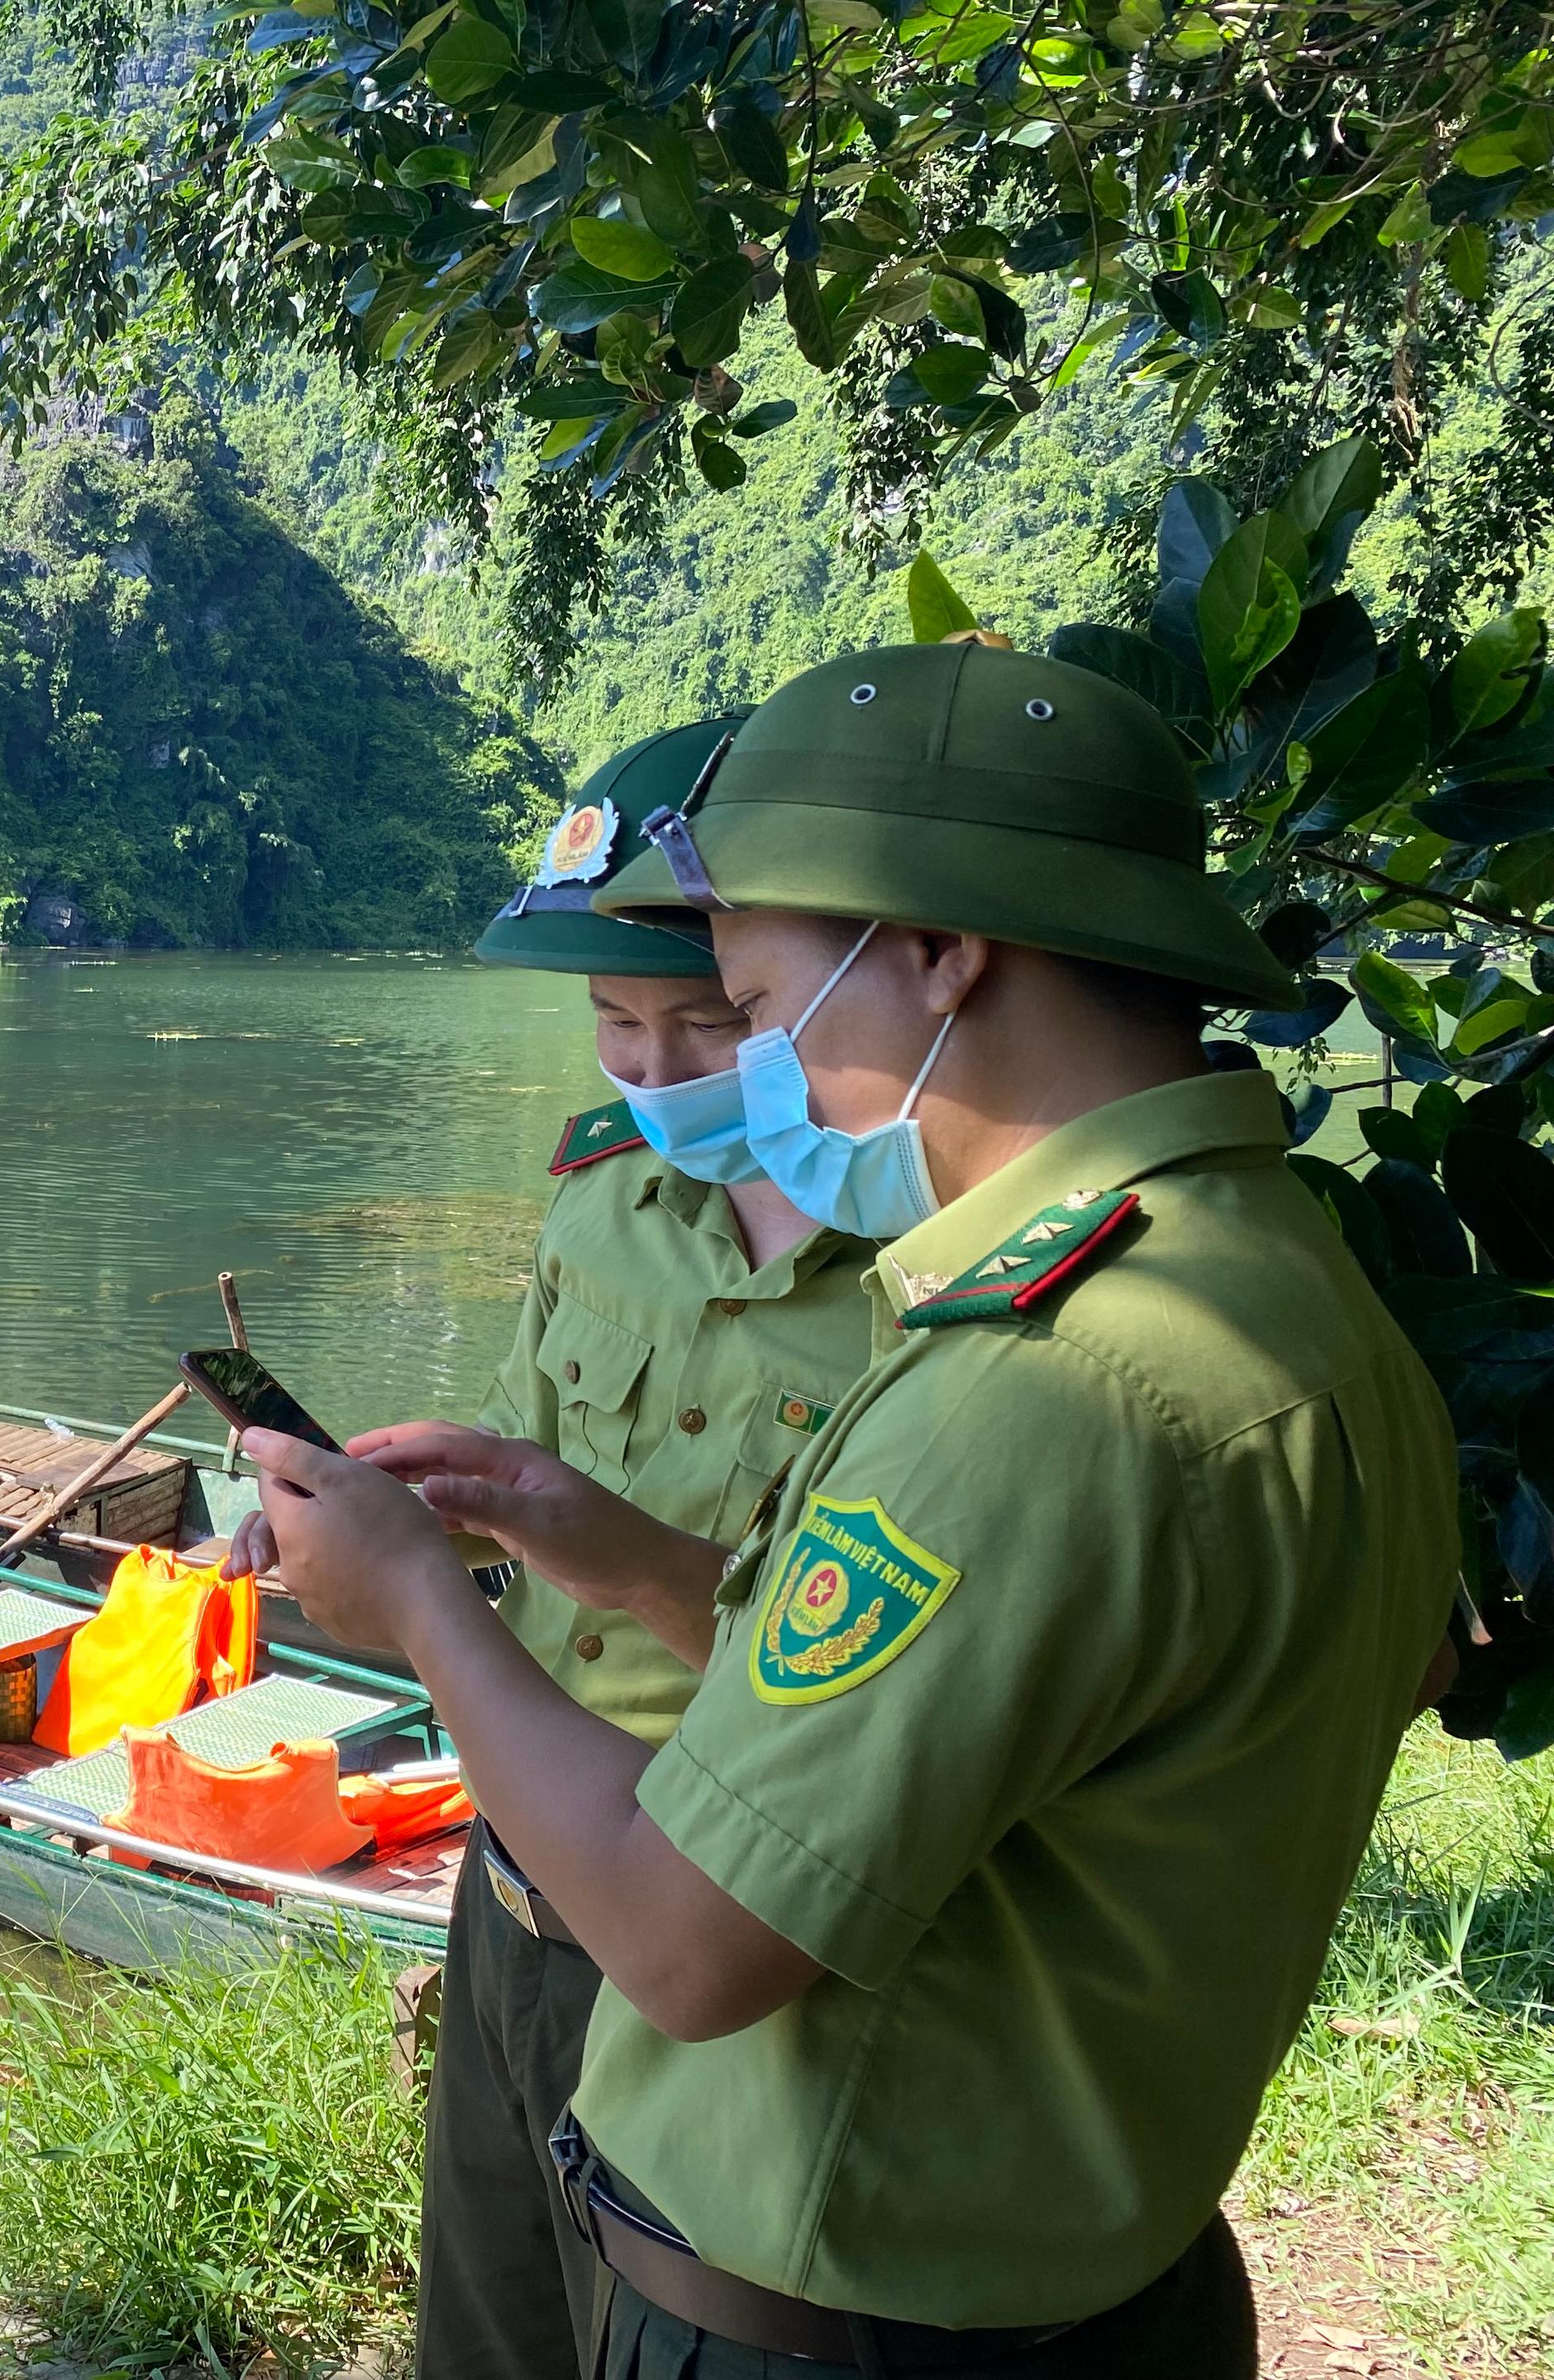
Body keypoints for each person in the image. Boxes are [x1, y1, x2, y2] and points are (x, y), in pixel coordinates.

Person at [234, 642, 1458, 2375]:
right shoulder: (1292, 1298)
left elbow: (683, 1941)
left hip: (843, 2313)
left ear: (941, 953)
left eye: (753, 1002)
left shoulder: (1044, 1385)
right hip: (1084, 2267)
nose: (744, 1084)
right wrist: (592, 1537)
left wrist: (425, 1606)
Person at [421, 720, 882, 2380]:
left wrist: (620, 1565)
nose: (657, 1073)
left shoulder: (934, 1274)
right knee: (490, 2331)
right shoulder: (601, 1199)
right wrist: (419, 1523)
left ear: (803, 991)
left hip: (731, 1937)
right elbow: (511, 1485)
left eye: (707, 1022)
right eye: (616, 1027)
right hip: (515, 1898)